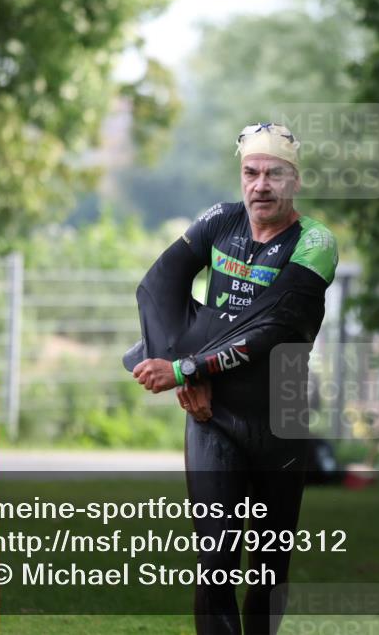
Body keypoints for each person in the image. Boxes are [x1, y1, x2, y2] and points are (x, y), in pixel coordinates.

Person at [127, 122, 339, 635]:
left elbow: (271, 327)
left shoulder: (315, 242)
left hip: (280, 411)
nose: (261, 185)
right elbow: (157, 288)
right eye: (251, 172)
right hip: (212, 411)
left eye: (274, 174)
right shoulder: (219, 222)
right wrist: (185, 375)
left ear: (294, 181)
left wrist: (187, 366)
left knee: (268, 566)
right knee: (215, 558)